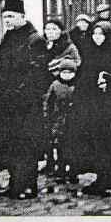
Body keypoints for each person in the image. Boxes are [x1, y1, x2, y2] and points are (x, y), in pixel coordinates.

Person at [65, 22, 111, 196]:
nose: (97, 37)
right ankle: (101, 178)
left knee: (110, 144)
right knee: (97, 144)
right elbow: (84, 78)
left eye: (101, 34)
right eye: (94, 34)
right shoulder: (89, 52)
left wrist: (109, 82)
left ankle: (109, 181)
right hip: (93, 108)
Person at [0, 0, 48, 199]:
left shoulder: (35, 40)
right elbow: (0, 64)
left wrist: (18, 93)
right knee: (11, 144)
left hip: (26, 104)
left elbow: (37, 74)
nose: (7, 20)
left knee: (27, 145)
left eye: (11, 16)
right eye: (5, 16)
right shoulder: (8, 37)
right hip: (8, 102)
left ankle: (28, 186)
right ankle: (15, 182)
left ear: (22, 16)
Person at [42, 58, 76, 187]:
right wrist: (47, 118)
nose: (67, 75)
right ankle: (60, 171)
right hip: (58, 122)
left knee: (73, 148)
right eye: (64, 72)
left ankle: (73, 172)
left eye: (70, 72)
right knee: (60, 148)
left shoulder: (77, 86)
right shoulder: (55, 86)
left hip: (73, 122)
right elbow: (48, 103)